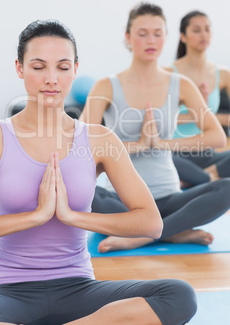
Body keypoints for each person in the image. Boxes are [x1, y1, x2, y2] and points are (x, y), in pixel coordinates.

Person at [0, 20, 198, 325]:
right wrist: (37, 216)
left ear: (75, 69)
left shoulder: (99, 139)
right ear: (19, 68)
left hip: (77, 289)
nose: (51, 79)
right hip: (7, 292)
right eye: (38, 66)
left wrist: (71, 216)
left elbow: (151, 223)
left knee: (178, 295)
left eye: (63, 67)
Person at [81, 2, 230, 254]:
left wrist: (161, 144)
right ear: (128, 37)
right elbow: (80, 145)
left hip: (169, 199)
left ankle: (145, 236)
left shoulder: (181, 84)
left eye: (158, 33)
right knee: (78, 188)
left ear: (166, 37)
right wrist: (139, 145)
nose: (150, 40)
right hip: (121, 202)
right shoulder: (106, 86)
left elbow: (216, 136)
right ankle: (172, 231)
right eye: (142, 33)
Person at [164, 10, 230, 189]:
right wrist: (194, 116)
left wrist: (206, 116)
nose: (203, 34)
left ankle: (204, 178)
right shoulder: (167, 74)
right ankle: (226, 180)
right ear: (183, 36)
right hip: (176, 153)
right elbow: (158, 120)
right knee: (153, 156)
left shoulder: (224, 74)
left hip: (208, 155)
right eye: (196, 30)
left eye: (207, 29)